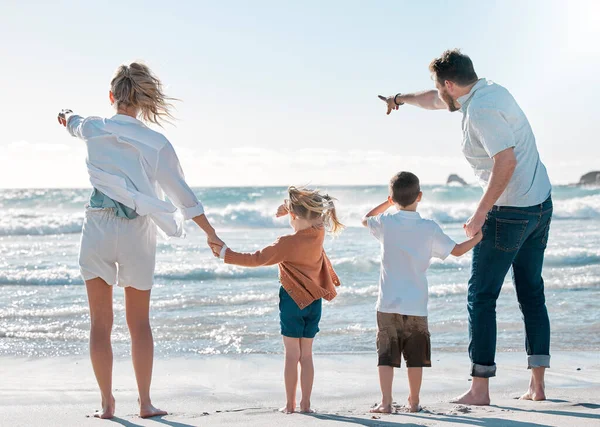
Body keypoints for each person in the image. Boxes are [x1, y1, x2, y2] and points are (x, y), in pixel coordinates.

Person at [380, 49, 552, 405]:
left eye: (438, 87)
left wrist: (479, 214)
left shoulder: (480, 112)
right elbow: (433, 100)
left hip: (509, 212)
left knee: (481, 296)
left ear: (449, 84)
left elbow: (505, 161)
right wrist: (400, 99)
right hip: (540, 205)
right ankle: (537, 386)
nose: (437, 94)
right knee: (531, 293)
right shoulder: (489, 91)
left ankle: (480, 388)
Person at [57, 62, 223, 419]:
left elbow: (71, 121)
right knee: (139, 323)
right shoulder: (157, 143)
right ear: (145, 100)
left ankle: (107, 404)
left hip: (98, 226)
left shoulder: (93, 127)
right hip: (137, 231)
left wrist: (66, 113)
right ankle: (145, 404)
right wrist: (210, 233)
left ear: (112, 96)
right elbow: (183, 196)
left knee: (100, 324)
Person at [210, 186, 343, 414]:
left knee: (292, 356)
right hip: (314, 301)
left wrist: (225, 254)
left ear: (293, 216)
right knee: (307, 355)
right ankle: (306, 405)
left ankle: (290, 405)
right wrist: (291, 209)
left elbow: (256, 259)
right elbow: (313, 218)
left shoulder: (286, 243)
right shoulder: (318, 233)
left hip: (292, 302)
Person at [362, 171, 482, 413]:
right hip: (416, 305)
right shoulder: (429, 228)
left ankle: (385, 402)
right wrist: (478, 238)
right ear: (420, 196)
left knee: (386, 356)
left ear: (392, 198)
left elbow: (366, 218)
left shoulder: (386, 222)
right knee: (415, 358)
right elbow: (457, 250)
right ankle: (414, 401)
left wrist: (388, 203)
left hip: (387, 305)